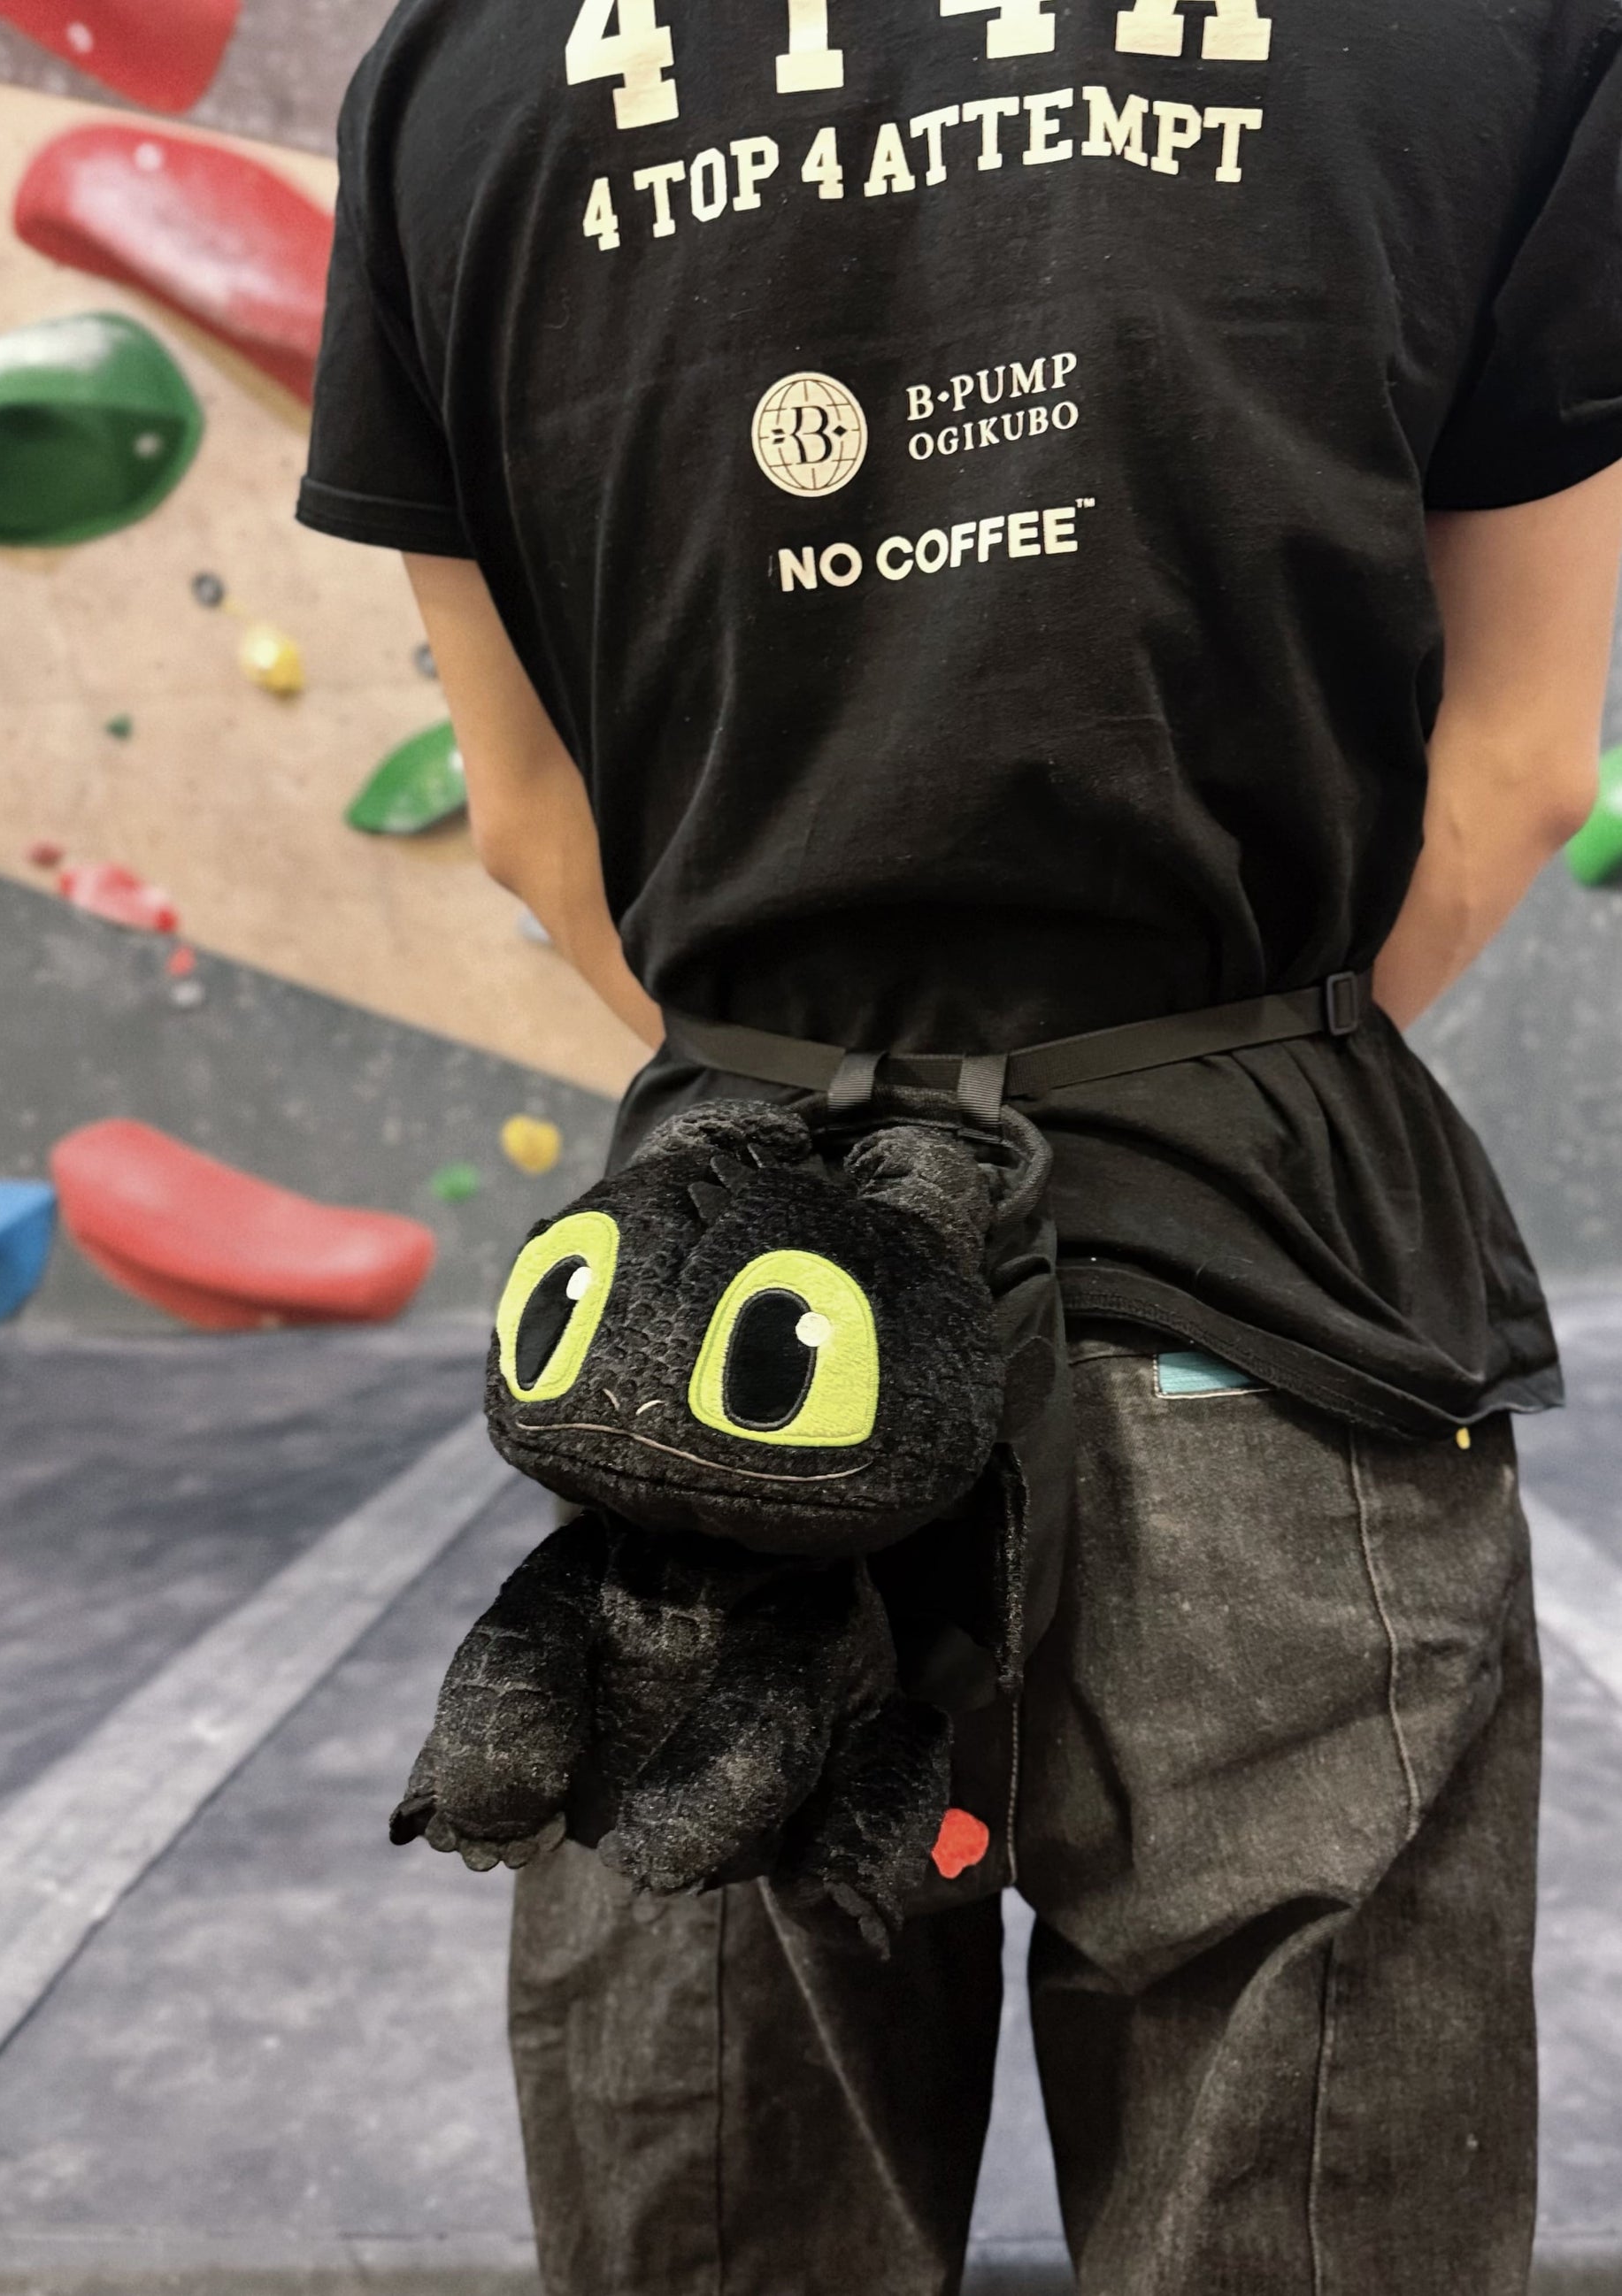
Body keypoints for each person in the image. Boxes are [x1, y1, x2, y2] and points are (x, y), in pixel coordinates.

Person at [297, 2, 1622, 2287]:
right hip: (1266, 1287)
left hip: (729, 1358)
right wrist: (1195, 1074)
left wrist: (845, 1104)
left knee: (720, 2219)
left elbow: (527, 818)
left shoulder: (455, 68)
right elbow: (1508, 767)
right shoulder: (1500, 30)